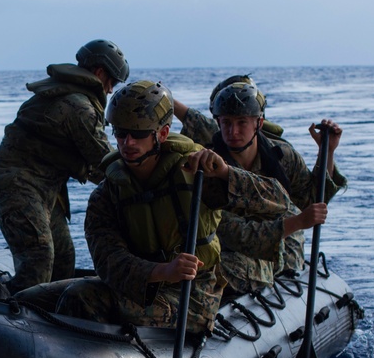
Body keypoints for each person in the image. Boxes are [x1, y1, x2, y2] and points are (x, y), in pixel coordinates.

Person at [55, 80, 292, 334]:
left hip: (193, 296)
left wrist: (226, 174)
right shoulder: (108, 192)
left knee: (78, 299)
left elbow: (278, 201)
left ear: (163, 134)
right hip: (145, 284)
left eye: (139, 134)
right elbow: (108, 259)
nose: (128, 143)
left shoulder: (194, 175)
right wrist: (162, 271)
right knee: (38, 298)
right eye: (121, 134)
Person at [0, 39, 130, 293]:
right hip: (17, 185)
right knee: (38, 256)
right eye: (112, 83)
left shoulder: (68, 96)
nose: (109, 91)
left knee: (63, 257)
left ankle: (52, 314)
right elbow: (105, 162)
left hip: (43, 188)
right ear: (99, 73)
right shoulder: (79, 108)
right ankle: (14, 310)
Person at [175, 78, 347, 295]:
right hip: (232, 247)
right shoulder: (207, 166)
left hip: (278, 252)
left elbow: (310, 202)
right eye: (226, 123)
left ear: (259, 123)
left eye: (241, 123)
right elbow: (232, 231)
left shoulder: (281, 156)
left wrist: (326, 152)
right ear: (218, 123)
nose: (233, 131)